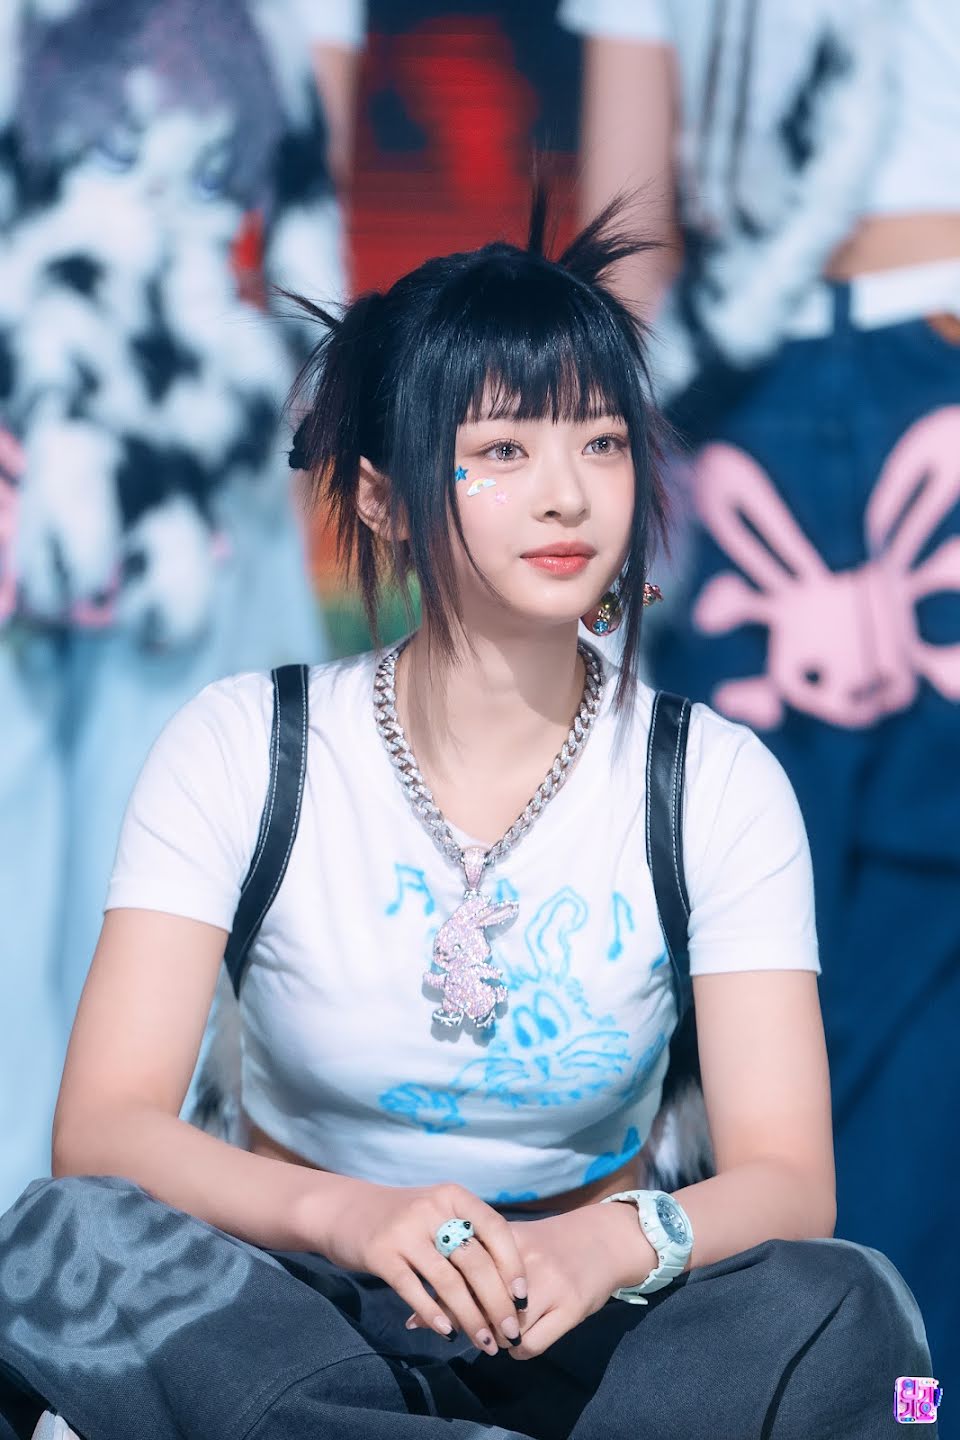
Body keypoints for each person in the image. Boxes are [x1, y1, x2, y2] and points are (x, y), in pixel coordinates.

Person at [0, 188, 936, 1440]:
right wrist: (353, 1218)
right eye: (502, 451)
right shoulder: (244, 745)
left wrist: (610, 1243)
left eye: (601, 443)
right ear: (382, 498)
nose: (567, 496)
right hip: (295, 1302)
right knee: (64, 1240)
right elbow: (102, 1128)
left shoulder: (713, 778)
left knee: (855, 1309)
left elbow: (789, 1179)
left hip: (588, 1316)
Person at [558, 0, 959, 1401]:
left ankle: (896, 1396)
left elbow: (626, 219)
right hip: (739, 394)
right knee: (745, 943)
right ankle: (806, 1393)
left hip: (877, 375)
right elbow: (626, 232)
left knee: (891, 948)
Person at [0, 0, 366, 1215]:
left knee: (190, 898)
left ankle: (151, 1268)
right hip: (26, 459)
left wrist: (241, 435)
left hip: (208, 503)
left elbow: (311, 268)